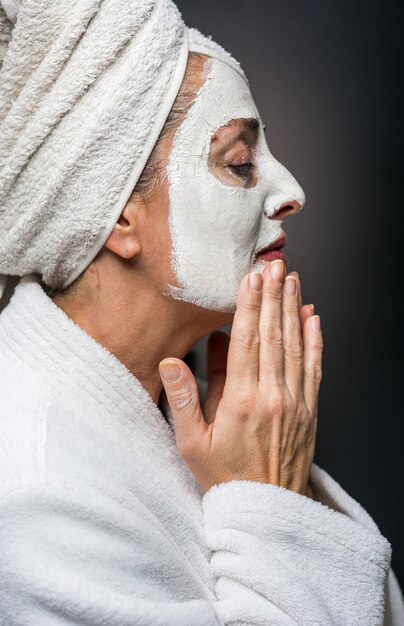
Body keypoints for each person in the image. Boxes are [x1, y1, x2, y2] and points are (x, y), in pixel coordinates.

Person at [0, 1, 403, 624]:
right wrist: (268, 498)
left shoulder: (197, 409)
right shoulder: (31, 497)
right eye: (239, 163)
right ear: (114, 217)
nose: (292, 191)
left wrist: (268, 479)